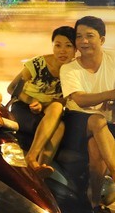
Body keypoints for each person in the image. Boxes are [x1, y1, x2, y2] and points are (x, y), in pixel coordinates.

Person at [60, 15, 115, 206]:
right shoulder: (69, 68)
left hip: (108, 124)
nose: (84, 41)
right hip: (77, 121)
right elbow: (79, 99)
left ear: (102, 40)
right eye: (79, 37)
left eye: (90, 36)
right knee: (96, 120)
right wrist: (111, 94)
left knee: (97, 153)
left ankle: (94, 202)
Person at [7, 25, 78, 172]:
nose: (62, 51)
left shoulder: (75, 70)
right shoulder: (38, 64)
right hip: (24, 106)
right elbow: (12, 88)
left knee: (59, 118)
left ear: (75, 49)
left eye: (68, 46)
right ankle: (32, 158)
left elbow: (69, 98)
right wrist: (32, 101)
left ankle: (39, 168)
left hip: (49, 110)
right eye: (58, 45)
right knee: (58, 119)